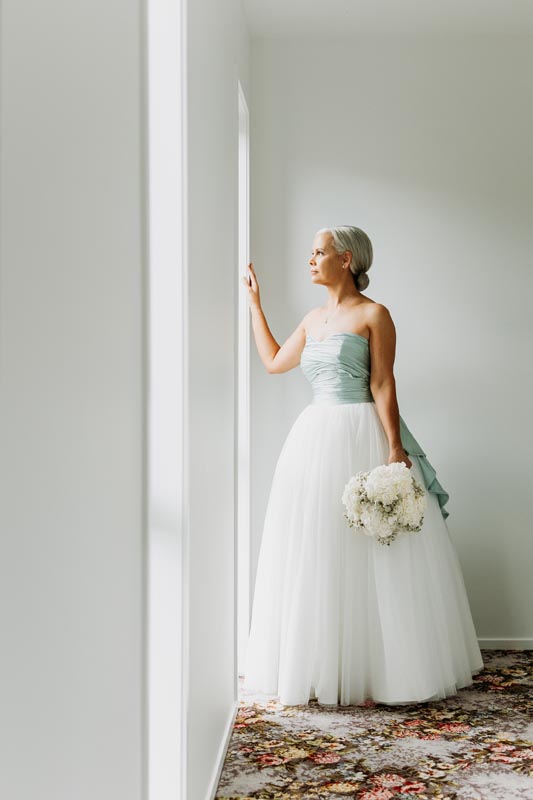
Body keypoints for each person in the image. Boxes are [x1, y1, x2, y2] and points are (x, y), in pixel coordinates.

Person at [240, 225, 484, 707]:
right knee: (320, 545)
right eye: (311, 252)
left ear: (346, 259)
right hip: (314, 436)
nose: (310, 259)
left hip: (361, 432)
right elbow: (272, 362)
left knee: (374, 549)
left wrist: (394, 448)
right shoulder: (312, 319)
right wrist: (254, 307)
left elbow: (383, 384)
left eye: (319, 252)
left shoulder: (375, 314)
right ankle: (323, 665)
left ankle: (383, 670)